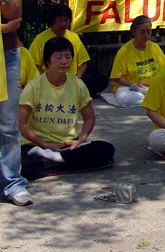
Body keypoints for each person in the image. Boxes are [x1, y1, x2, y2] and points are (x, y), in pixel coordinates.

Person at [18, 37, 115, 180]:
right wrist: (46, 145)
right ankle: (61, 161)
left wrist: (80, 140)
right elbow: (21, 124)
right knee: (24, 163)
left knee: (106, 149)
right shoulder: (34, 86)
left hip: (68, 145)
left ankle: (57, 160)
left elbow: (89, 118)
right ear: (48, 61)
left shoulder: (77, 84)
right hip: (38, 146)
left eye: (68, 57)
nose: (64, 61)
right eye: (59, 57)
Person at [0, 0, 32, 205]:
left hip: (6, 54)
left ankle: (12, 183)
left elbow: (13, 13)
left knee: (8, 124)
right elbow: (7, 23)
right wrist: (2, 27)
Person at [109, 15, 165, 107]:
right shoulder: (124, 51)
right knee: (125, 97)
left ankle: (152, 98)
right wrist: (134, 85)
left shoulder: (155, 47)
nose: (146, 35)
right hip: (130, 88)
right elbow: (116, 77)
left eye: (148, 31)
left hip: (152, 87)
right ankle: (153, 99)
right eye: (142, 32)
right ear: (134, 32)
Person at [29, 4, 90, 78]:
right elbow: (33, 64)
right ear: (53, 21)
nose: (63, 24)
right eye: (60, 21)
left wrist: (77, 78)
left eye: (66, 20)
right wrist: (44, 79)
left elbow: (83, 61)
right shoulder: (40, 39)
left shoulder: (74, 37)